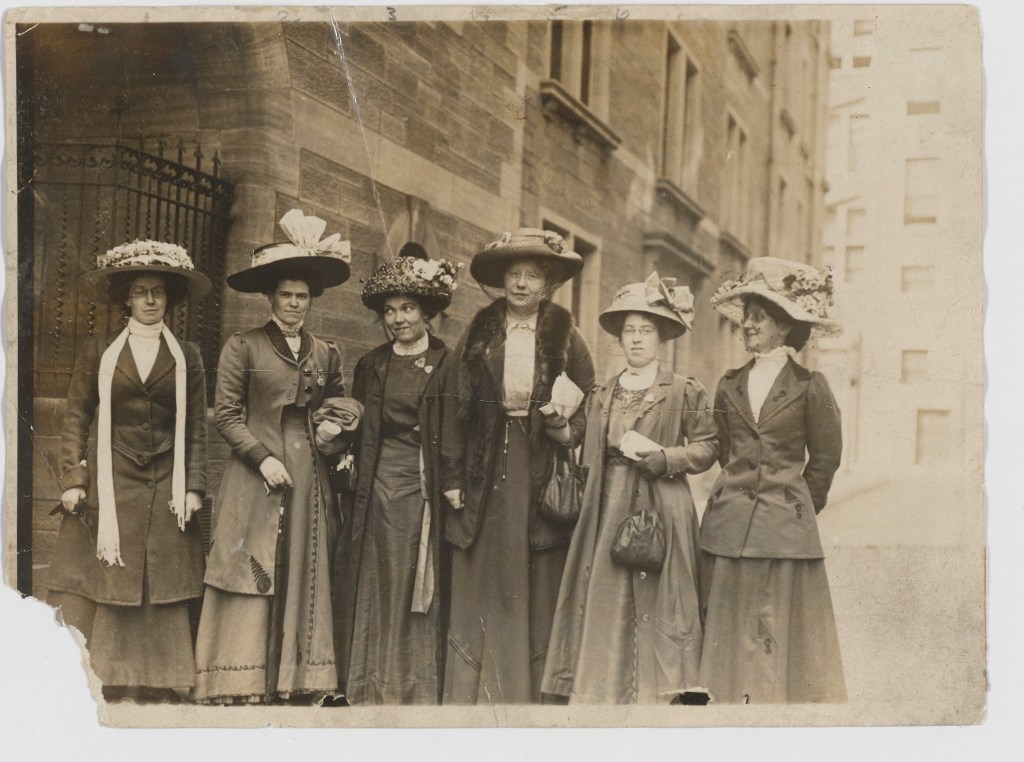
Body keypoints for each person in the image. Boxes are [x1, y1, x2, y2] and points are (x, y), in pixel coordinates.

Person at [192, 209, 355, 703]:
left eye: (302, 296)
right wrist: (262, 458)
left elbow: (339, 403)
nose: (294, 304)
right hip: (255, 470)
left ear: (312, 299)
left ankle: (300, 680)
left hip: (309, 472)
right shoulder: (242, 346)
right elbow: (226, 415)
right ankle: (237, 679)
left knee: (304, 564)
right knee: (250, 562)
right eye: (286, 295)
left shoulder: (325, 351)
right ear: (270, 297)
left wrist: (334, 429)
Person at [543, 272, 718, 704]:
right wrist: (556, 424)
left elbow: (709, 446)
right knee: (609, 594)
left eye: (646, 331)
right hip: (608, 504)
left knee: (663, 598)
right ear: (619, 339)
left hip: (663, 502)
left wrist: (669, 458)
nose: (637, 339)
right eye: (629, 331)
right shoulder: (602, 393)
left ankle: (660, 694)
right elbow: (577, 439)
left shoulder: (683, 390)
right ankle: (606, 691)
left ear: (662, 338)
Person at [47, 240, 211, 701]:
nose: (150, 300)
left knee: (163, 574)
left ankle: (162, 679)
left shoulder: (188, 355)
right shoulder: (100, 351)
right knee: (111, 573)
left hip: (168, 480)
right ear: (127, 298)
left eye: (158, 292)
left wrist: (194, 486)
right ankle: (109, 676)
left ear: (169, 299)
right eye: (141, 291)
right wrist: (74, 479)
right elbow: (76, 416)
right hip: (112, 475)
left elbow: (196, 425)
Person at [440, 228, 596, 704]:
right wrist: (452, 476)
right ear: (502, 281)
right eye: (513, 275)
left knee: (535, 569)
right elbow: (453, 407)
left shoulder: (567, 337)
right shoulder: (478, 333)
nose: (522, 284)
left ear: (548, 284)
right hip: (484, 467)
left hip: (539, 464)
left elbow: (588, 401)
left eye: (532, 276)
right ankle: (476, 690)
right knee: (484, 568)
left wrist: (565, 428)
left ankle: (528, 692)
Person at [700, 256, 846, 703]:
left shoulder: (811, 385)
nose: (747, 324)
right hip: (728, 527)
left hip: (784, 532)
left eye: (759, 316)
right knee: (728, 627)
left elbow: (825, 458)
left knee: (774, 630)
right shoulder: (729, 383)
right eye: (746, 314)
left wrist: (795, 506)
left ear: (784, 325)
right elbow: (725, 449)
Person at [333, 247, 462, 705]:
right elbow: (359, 428)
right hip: (375, 482)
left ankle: (413, 686)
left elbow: (456, 431)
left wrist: (450, 481)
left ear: (427, 313)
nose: (398, 319)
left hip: (421, 485)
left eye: (407, 308)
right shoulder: (371, 363)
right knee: (376, 576)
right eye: (389, 311)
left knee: (415, 577)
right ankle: (368, 683)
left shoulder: (448, 364)